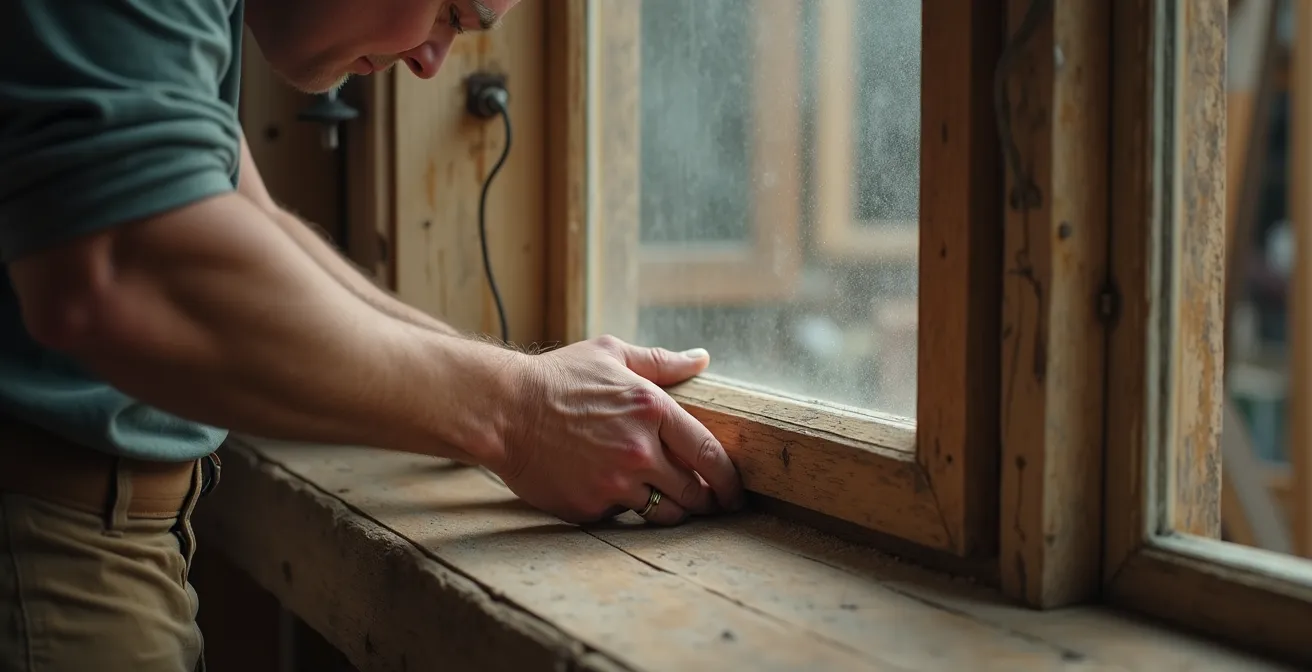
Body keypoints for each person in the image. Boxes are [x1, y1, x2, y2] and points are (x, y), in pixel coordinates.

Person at [0, 0, 746, 669]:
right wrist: (517, 414)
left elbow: (237, 207)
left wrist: (530, 392)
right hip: (42, 556)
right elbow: (125, 263)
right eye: (452, 11)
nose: (430, 61)